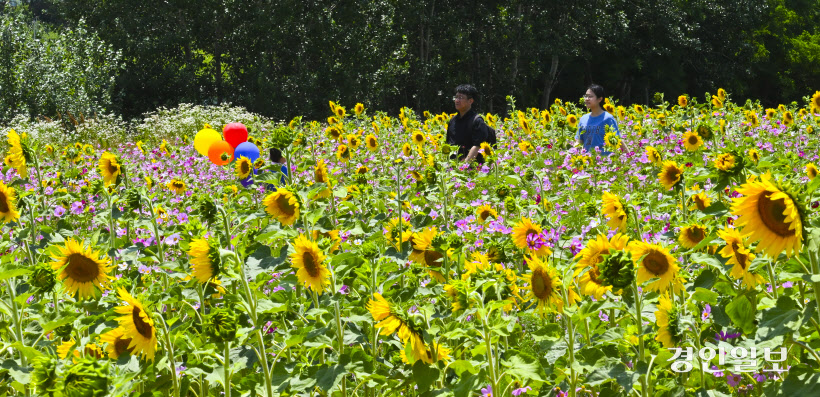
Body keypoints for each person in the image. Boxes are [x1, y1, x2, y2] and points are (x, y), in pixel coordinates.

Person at [575, 84, 625, 155]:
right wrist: (571, 153)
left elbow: (618, 140)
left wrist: (630, 157)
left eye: (590, 96)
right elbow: (579, 140)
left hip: (604, 162)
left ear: (600, 99)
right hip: (588, 161)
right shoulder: (583, 118)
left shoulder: (608, 118)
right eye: (586, 96)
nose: (587, 99)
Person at [446, 84, 488, 164]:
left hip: (470, 169)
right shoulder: (453, 121)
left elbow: (477, 146)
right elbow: (449, 144)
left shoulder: (477, 121)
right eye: (456, 97)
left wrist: (464, 166)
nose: (457, 100)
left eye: (461, 97)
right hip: (452, 169)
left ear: (470, 101)